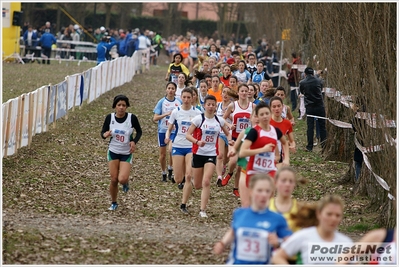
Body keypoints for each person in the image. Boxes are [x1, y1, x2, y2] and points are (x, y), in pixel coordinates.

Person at [213, 173, 292, 264]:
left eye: (267, 191)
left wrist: (278, 243)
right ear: (251, 191)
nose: (263, 195)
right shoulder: (239, 213)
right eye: (259, 190)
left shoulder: (277, 218)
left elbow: (291, 243)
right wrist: (222, 243)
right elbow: (233, 231)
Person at [271, 195, 353, 265]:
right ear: (318, 214)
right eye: (329, 214)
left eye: (337, 215)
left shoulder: (346, 243)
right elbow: (278, 257)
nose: (333, 219)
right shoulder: (303, 236)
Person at [185, 95, 231, 218]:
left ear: (216, 106)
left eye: (213, 104)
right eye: (208, 104)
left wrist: (230, 140)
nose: (211, 107)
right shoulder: (198, 119)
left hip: (211, 154)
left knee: (207, 181)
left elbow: (228, 133)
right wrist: (197, 142)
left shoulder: (219, 120)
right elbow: (188, 135)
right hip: (198, 153)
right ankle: (195, 182)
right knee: (198, 185)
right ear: (204, 105)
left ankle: (202, 210)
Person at [101, 95, 142, 211]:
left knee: (122, 179)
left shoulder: (132, 118)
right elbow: (103, 132)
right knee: (114, 179)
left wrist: (134, 141)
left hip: (126, 152)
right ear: (115, 106)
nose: (121, 108)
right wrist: (105, 135)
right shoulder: (109, 118)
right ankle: (114, 202)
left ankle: (125, 183)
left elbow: (139, 131)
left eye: (124, 105)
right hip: (113, 151)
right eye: (119, 105)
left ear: (127, 106)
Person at [165, 88, 201, 214]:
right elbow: (169, 128)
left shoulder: (197, 113)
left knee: (189, 176)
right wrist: (167, 137)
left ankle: (183, 204)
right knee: (178, 178)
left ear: (192, 98)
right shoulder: (176, 112)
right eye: (184, 97)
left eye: (188, 97)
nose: (186, 100)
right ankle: (178, 178)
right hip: (178, 146)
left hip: (191, 146)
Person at [239, 102, 289, 184]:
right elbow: (242, 152)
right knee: (258, 195)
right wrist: (262, 150)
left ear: (270, 114)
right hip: (254, 170)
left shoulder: (275, 131)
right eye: (262, 114)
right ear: (258, 117)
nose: (265, 116)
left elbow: (285, 143)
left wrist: (286, 159)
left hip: (270, 169)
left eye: (267, 113)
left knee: (269, 194)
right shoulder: (254, 132)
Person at [221, 84, 256, 197]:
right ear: (239, 92)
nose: (245, 93)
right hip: (234, 137)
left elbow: (257, 120)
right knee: (232, 161)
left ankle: (236, 188)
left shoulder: (253, 106)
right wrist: (229, 125)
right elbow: (223, 118)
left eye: (246, 91)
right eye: (242, 91)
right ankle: (229, 174)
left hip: (247, 139)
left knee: (240, 166)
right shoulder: (233, 105)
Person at [153, 82, 182, 182]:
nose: (170, 90)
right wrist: (165, 114)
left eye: (173, 88)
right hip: (162, 130)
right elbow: (155, 118)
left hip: (174, 131)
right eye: (169, 88)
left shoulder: (179, 102)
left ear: (175, 90)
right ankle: (163, 172)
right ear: (166, 90)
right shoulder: (161, 102)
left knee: (171, 150)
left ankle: (170, 168)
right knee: (162, 154)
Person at [299, 67, 327, 152]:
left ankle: (309, 146)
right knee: (322, 126)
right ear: (313, 73)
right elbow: (321, 89)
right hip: (320, 105)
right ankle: (323, 145)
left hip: (310, 106)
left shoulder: (302, 82)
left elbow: (302, 92)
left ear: (305, 74)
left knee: (310, 126)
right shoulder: (319, 81)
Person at [269, 96, 296, 163]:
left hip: (281, 155)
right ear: (270, 108)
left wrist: (292, 145)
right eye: (274, 107)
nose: (277, 109)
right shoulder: (266, 121)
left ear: (282, 107)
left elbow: (291, 140)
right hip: (267, 154)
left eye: (279, 106)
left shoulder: (287, 123)